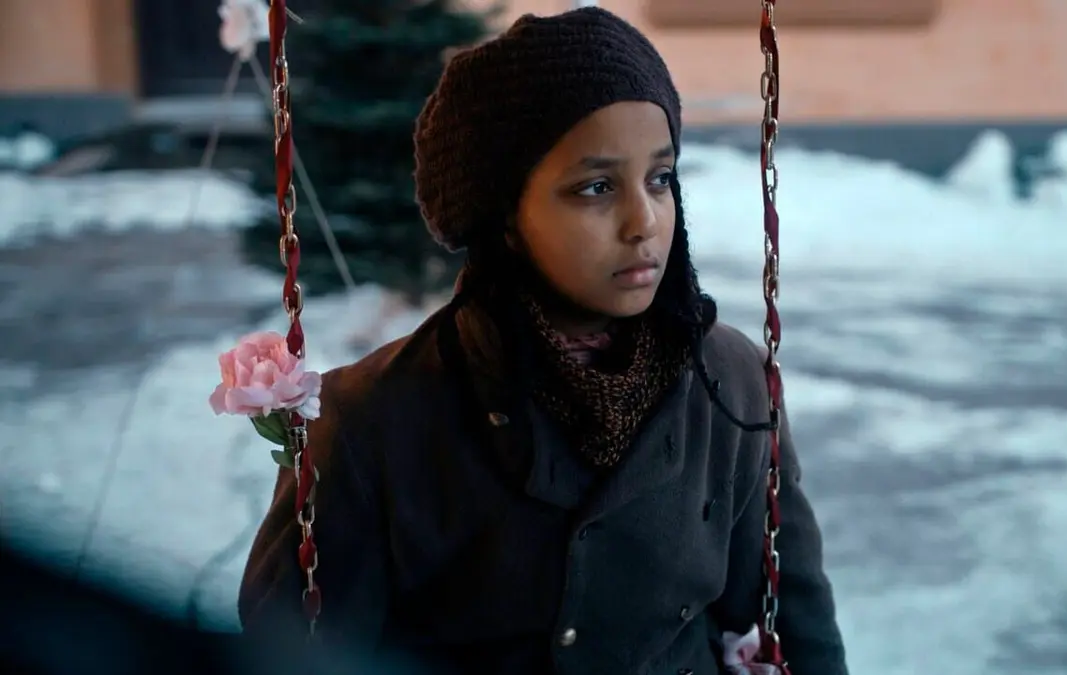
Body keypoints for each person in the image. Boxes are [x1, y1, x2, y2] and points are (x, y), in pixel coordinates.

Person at [239, 7, 848, 674]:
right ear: (504, 214)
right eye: (595, 187)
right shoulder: (372, 422)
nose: (644, 222)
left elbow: (798, 621)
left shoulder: (730, 382)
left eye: (660, 178)